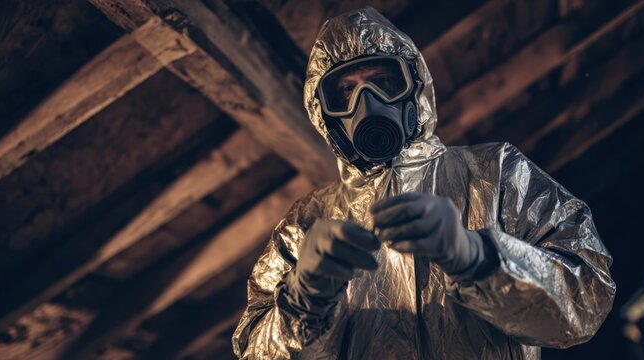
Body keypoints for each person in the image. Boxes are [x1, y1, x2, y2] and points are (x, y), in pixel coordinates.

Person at [232, 7, 615, 359]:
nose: (367, 102)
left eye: (383, 82)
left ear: (414, 89)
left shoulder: (495, 174)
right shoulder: (306, 223)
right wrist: (303, 297)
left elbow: (587, 303)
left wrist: (477, 257)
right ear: (326, 114)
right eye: (346, 92)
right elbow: (253, 352)